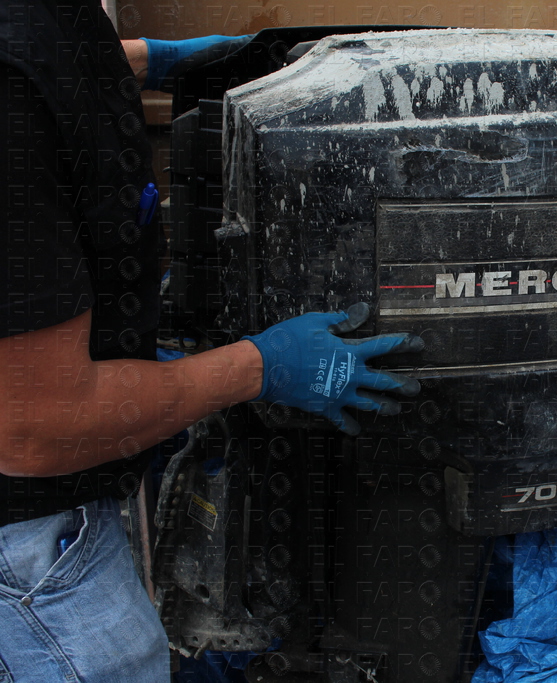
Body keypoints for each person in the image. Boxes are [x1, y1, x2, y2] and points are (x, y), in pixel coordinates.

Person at [0, 2, 421, 680]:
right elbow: (33, 428)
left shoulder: (49, 23)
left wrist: (160, 60)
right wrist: (259, 366)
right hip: (28, 541)